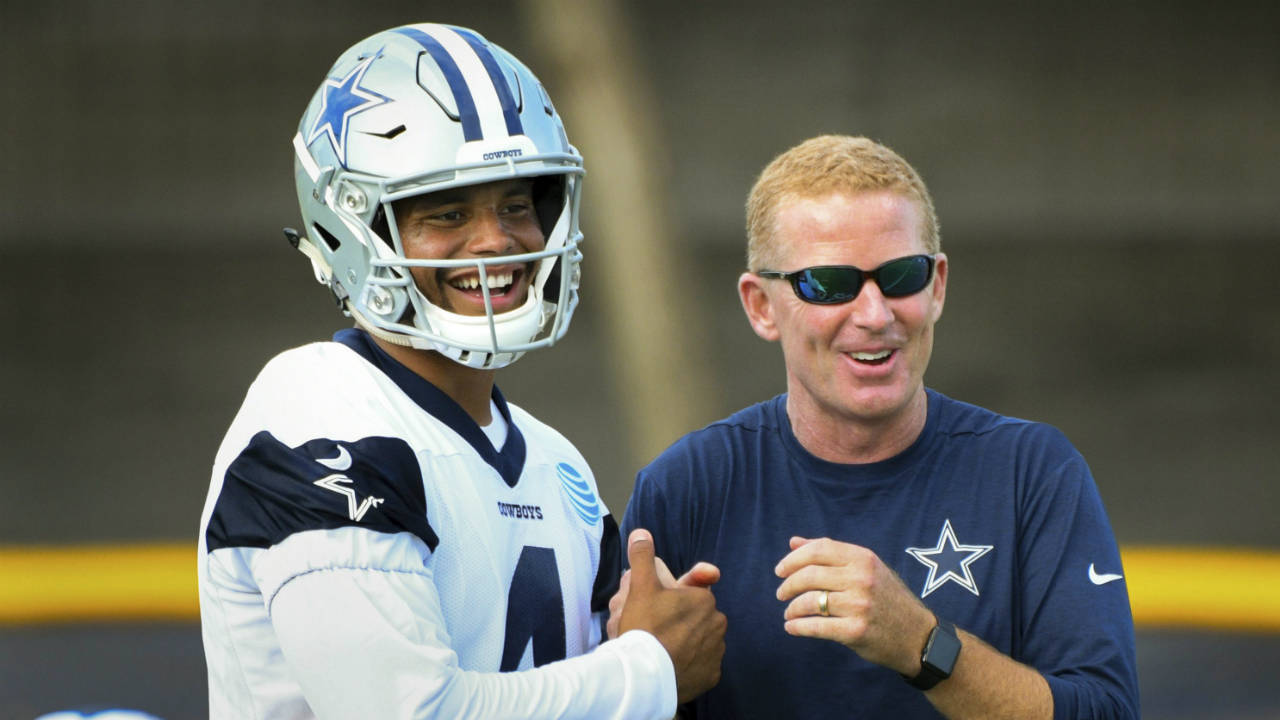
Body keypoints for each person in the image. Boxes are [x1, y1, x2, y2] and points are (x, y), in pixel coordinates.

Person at [197, 23, 724, 720]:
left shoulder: (557, 466)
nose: (496, 240)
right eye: (447, 213)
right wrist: (649, 670)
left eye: (516, 205)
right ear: (352, 229)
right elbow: (403, 713)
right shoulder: (318, 416)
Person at [621, 135, 1139, 719]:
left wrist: (921, 644)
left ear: (936, 285)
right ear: (761, 305)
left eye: (901, 275)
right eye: (828, 283)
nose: (874, 314)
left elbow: (1109, 712)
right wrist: (640, 680)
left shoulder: (1031, 472)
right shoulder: (686, 487)